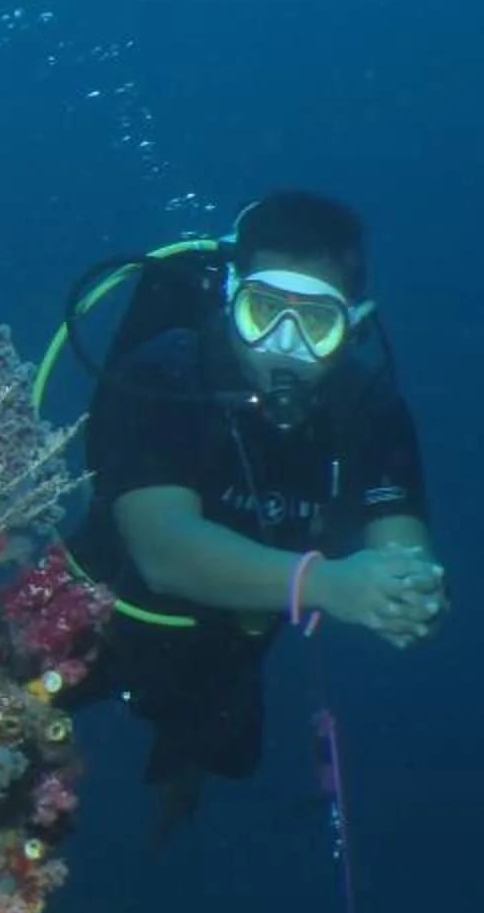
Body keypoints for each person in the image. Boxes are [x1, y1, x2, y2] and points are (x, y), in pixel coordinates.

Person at [54, 191, 445, 835]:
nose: (283, 346)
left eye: (315, 322)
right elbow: (162, 550)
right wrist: (330, 584)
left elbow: (409, 559)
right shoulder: (165, 373)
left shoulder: (372, 412)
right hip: (93, 612)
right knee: (2, 740)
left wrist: (413, 598)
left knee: (217, 758)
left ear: (355, 323)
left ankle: (176, 786)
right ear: (231, 294)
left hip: (230, 650)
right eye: (265, 311)